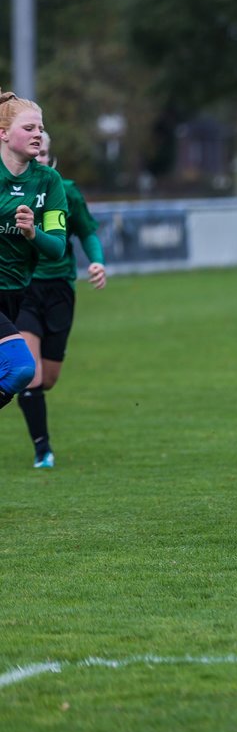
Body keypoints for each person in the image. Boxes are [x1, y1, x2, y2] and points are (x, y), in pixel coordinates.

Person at [16, 132, 107, 468]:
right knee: (31, 374)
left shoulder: (64, 190)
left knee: (48, 379)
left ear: (49, 157)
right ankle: (43, 449)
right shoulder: (8, 190)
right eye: (31, 152)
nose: (37, 158)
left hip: (60, 289)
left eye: (42, 153)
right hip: (23, 287)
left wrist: (97, 261)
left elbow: (86, 231)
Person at [0, 92, 68, 415]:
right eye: (29, 128)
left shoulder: (48, 182)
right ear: (3, 133)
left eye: (40, 128)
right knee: (22, 368)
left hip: (15, 294)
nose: (38, 134)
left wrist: (32, 233)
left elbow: (57, 248)